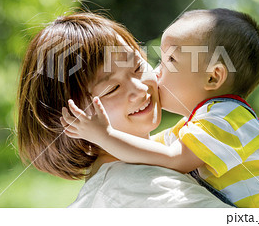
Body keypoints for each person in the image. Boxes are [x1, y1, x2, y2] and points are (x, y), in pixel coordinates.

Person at [62, 8, 259, 208]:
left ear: (212, 77)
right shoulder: (201, 122)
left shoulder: (225, 120)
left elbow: (171, 158)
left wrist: (104, 135)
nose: (156, 72)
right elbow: (152, 148)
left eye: (170, 60)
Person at [16, 12, 230, 208]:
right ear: (70, 118)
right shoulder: (146, 188)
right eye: (112, 88)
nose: (139, 89)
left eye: (137, 67)